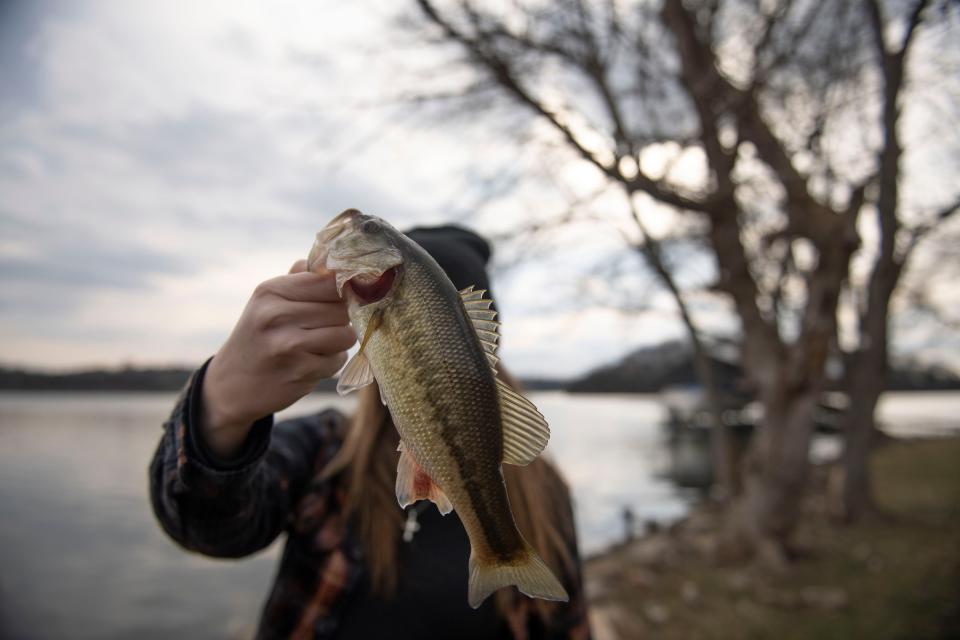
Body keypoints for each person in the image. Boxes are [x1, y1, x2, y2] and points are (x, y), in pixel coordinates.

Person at [149, 226, 591, 640]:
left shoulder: (545, 491)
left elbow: (569, 628)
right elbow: (205, 526)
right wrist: (221, 409)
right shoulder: (323, 451)